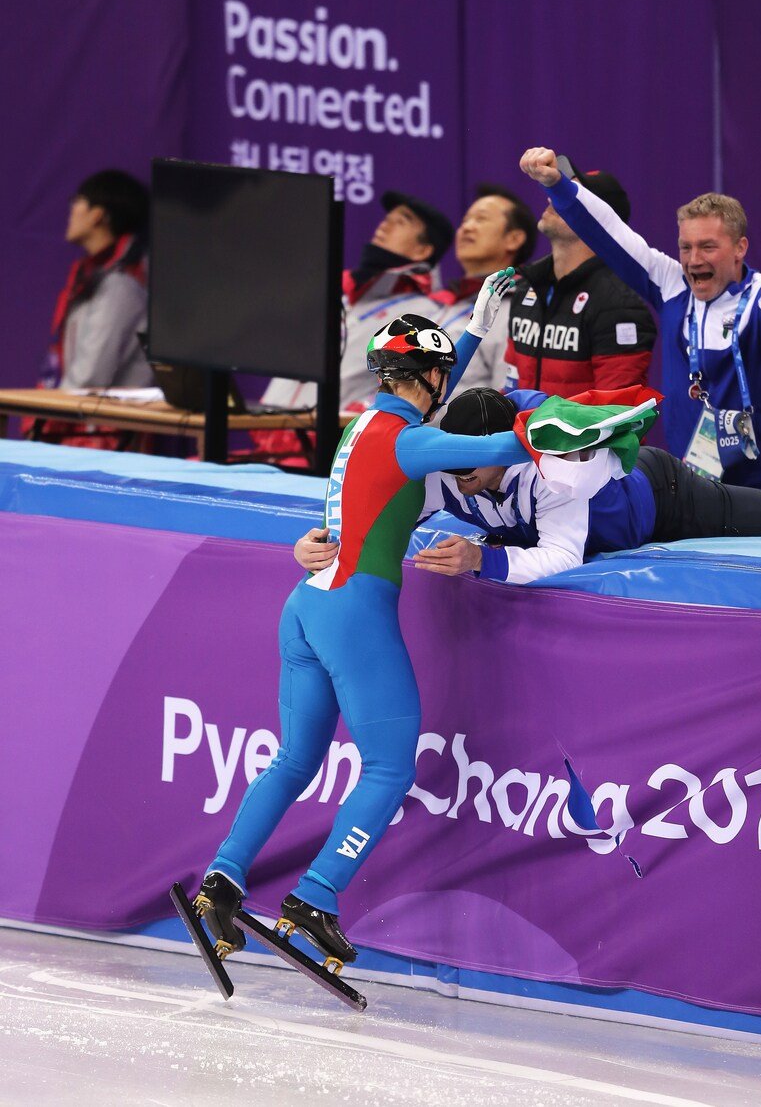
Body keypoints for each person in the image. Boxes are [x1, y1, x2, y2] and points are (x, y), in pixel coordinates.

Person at [192, 274, 530, 968]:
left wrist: (473, 334)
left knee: (295, 760)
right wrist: (574, 423)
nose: (445, 384)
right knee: (389, 767)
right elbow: (499, 447)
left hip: (306, 606)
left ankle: (221, 880)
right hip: (355, 616)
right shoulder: (408, 441)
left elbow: (433, 393)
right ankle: (316, 894)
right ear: (429, 378)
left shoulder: (364, 424)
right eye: (441, 376)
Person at [296, 387, 761, 587]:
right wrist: (321, 544)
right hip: (620, 519)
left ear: (499, 450)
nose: (460, 476)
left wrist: (482, 559)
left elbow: (562, 556)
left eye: (472, 463)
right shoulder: (443, 472)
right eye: (453, 461)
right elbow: (375, 517)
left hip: (665, 496)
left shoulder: (551, 473)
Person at [519, 145, 761, 493]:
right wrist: (557, 185)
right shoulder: (672, 284)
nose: (693, 259)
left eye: (707, 247)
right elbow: (609, 233)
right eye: (685, 247)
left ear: (740, 248)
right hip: (691, 490)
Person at [258, 189, 455, 416]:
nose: (384, 226)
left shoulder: (421, 316)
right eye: (387, 219)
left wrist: (361, 415)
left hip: (334, 433)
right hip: (268, 425)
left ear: (423, 250)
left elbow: (416, 389)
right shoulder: (341, 297)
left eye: (401, 222)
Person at [503, 158, 656, 399]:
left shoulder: (619, 305)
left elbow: (614, 411)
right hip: (521, 426)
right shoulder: (527, 286)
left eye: (569, 195)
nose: (552, 199)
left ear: (600, 219)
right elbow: (511, 387)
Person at [422, 184, 538, 403]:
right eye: (465, 220)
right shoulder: (447, 303)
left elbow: (506, 403)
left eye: (481, 219)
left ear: (514, 239)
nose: (466, 228)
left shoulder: (518, 308)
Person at [42, 169, 153, 392]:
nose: (71, 210)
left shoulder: (121, 287)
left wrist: (47, 407)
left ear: (98, 215)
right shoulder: (95, 277)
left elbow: (88, 378)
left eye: (78, 201)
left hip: (106, 414)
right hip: (78, 409)